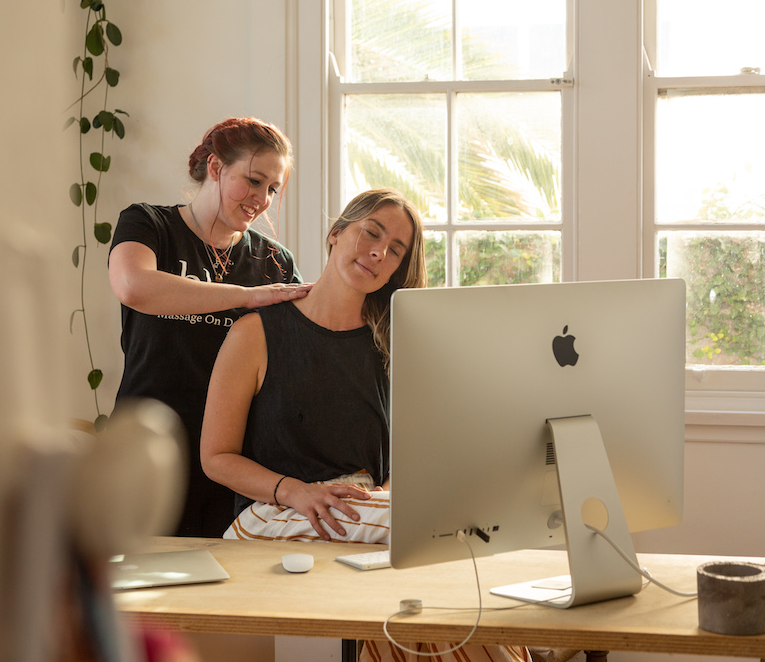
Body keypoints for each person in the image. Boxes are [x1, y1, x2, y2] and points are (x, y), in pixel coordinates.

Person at [200, 188, 531, 662]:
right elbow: (216, 457)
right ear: (336, 234)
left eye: (395, 250)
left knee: (443, 549)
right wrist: (296, 491)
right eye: (371, 233)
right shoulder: (255, 333)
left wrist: (392, 494)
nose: (379, 252)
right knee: (441, 538)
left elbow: (407, 459)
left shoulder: (392, 345)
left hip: (364, 508)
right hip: (274, 514)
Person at [108, 117, 312, 538]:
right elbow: (133, 285)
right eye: (253, 181)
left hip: (232, 464)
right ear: (216, 168)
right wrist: (246, 296)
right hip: (148, 454)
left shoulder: (275, 263)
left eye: (272, 189)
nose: (262, 199)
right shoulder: (149, 224)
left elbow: (296, 355)